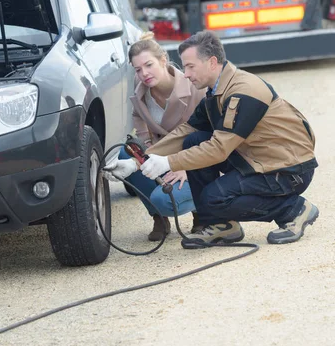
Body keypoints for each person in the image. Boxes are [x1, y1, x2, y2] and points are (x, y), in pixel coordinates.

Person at [107, 30, 319, 249]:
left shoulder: (243, 91)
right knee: (194, 139)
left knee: (213, 199)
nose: (186, 74)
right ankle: (221, 226)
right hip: (257, 158)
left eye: (190, 66)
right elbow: (186, 131)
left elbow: (219, 149)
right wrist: (137, 162)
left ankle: (294, 210)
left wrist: (169, 162)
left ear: (212, 62)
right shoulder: (215, 91)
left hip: (289, 169)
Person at [104, 32, 206, 241]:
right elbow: (137, 115)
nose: (144, 73)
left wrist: (186, 167)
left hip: (195, 158)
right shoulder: (141, 87)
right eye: (138, 69)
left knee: (167, 199)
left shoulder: (194, 87)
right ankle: (158, 217)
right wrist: (146, 146)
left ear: (163, 60)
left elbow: (210, 136)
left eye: (149, 65)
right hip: (161, 153)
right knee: (125, 152)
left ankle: (201, 214)